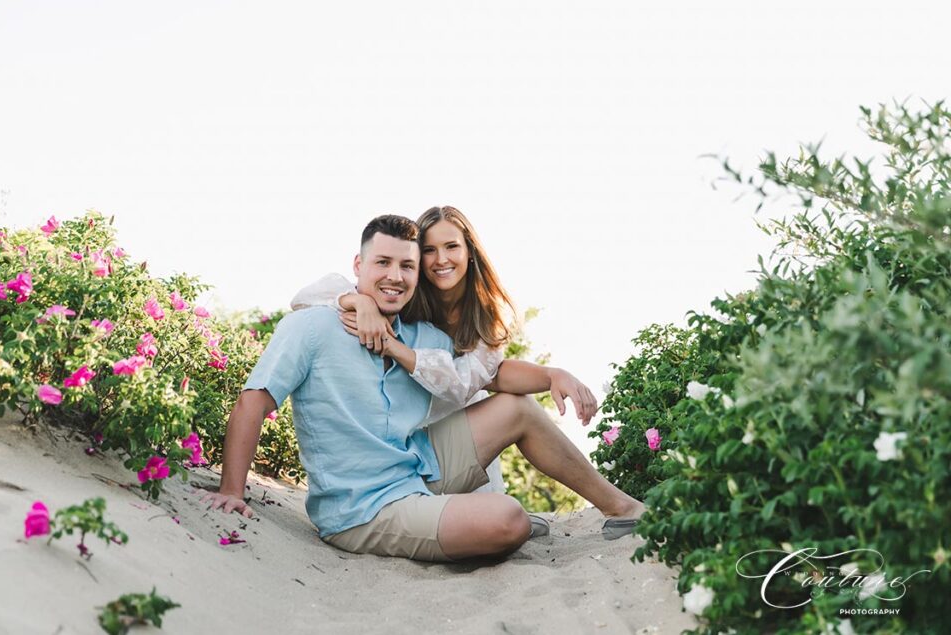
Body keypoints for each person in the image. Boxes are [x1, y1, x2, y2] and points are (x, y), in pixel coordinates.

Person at [202, 214, 642, 561]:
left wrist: (552, 376)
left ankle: (624, 509)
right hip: (363, 509)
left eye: (407, 266)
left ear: (418, 275)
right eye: (383, 263)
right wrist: (231, 492)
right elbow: (252, 403)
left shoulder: (421, 336)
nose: (395, 276)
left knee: (518, 409)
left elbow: (488, 375)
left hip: (419, 469)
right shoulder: (312, 326)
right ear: (358, 266)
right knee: (508, 520)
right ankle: (494, 521)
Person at [290, 206, 601, 503]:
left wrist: (552, 375)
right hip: (404, 428)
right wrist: (358, 302)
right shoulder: (402, 291)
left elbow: (477, 378)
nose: (441, 259)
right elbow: (304, 297)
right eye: (428, 250)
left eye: (451, 246)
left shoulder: (485, 313)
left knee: (511, 415)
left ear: (469, 251)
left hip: (456, 425)